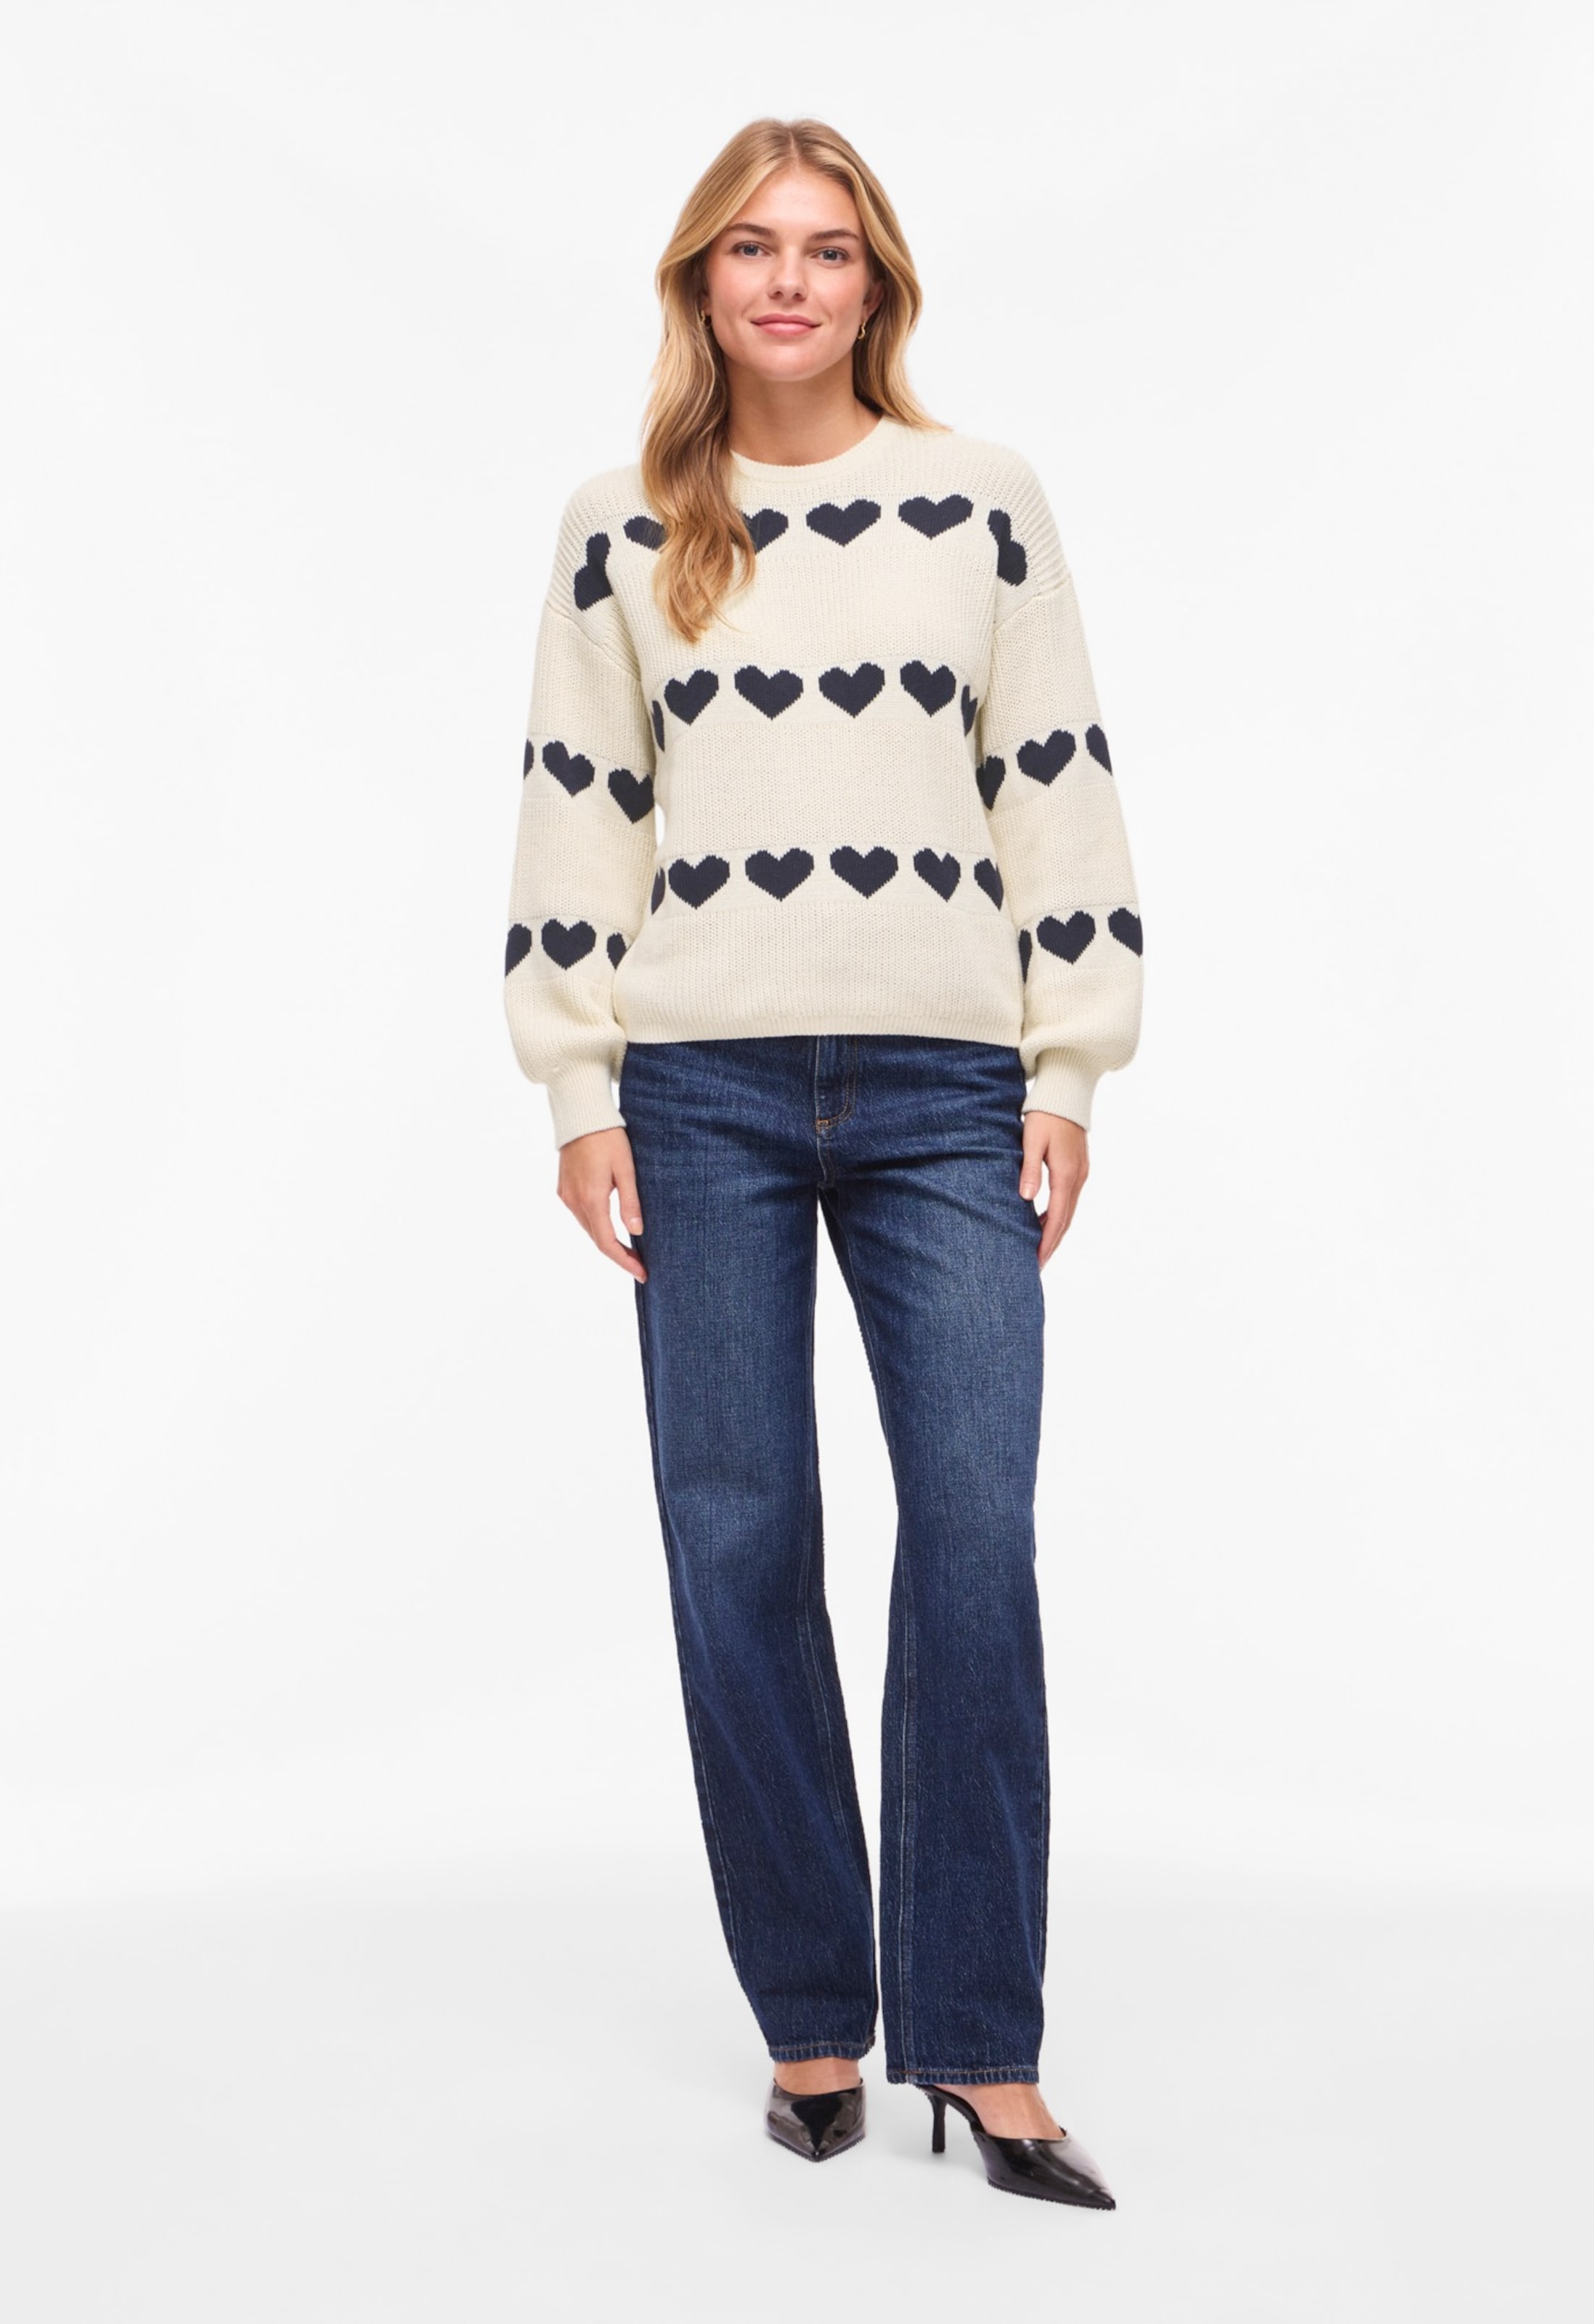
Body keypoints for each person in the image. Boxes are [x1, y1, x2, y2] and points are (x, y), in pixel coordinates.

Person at [503, 116, 1142, 2211]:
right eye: (753, 250)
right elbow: (578, 810)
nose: (790, 282)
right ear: (701, 284)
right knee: (740, 1542)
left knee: (972, 1535)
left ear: (880, 286)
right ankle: (811, 2019)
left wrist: (1071, 1062)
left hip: (951, 1080)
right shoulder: (622, 528)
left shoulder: (982, 504)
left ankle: (984, 2043)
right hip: (699, 1088)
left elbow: (1054, 780)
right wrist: (580, 1091)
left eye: (830, 250)